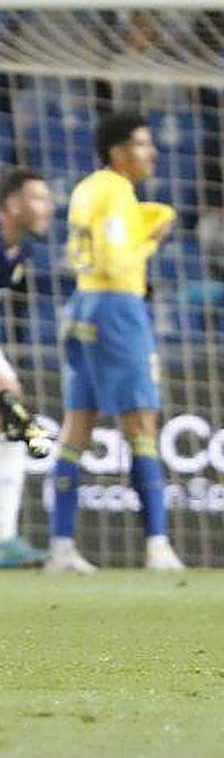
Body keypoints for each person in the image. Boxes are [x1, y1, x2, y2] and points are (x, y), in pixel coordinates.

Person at [46, 113, 186, 574]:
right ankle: (157, 547)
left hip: (82, 308)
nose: (153, 152)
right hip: (118, 309)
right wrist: (153, 240)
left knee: (76, 431)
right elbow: (113, 256)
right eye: (143, 144)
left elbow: (86, 250)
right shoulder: (115, 190)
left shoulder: (88, 188)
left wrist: (150, 220)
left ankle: (62, 548)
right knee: (141, 427)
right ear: (118, 151)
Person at [0, 169, 57, 568]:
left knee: (13, 425)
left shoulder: (18, 252)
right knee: (14, 414)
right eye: (37, 198)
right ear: (11, 205)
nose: (47, 207)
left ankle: (4, 538)